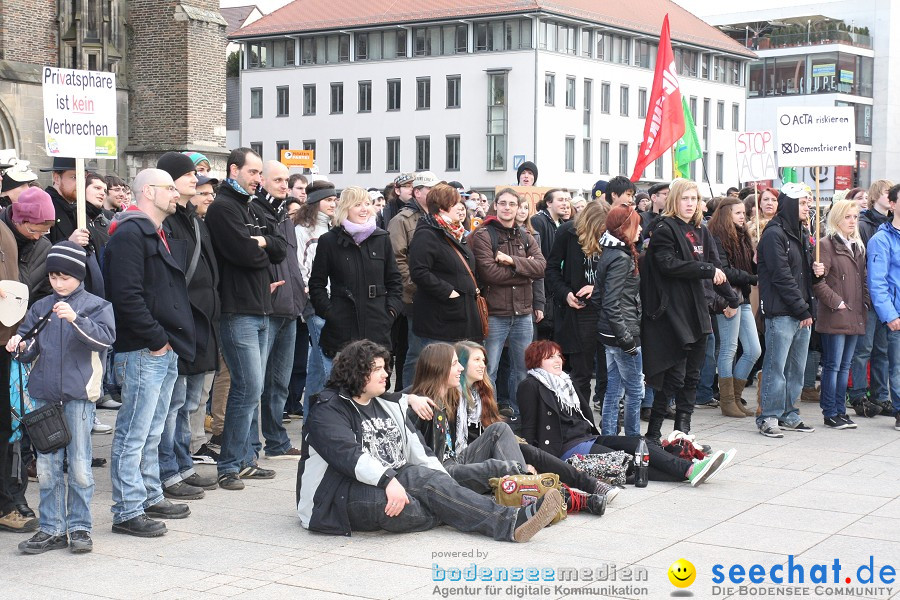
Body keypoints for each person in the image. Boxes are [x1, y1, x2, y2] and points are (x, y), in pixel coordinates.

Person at [296, 339, 562, 542]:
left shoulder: (387, 403)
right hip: (336, 497)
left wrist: (446, 484)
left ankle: (511, 522)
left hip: (398, 479)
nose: (386, 374)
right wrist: (389, 481)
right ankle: (484, 510)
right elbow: (348, 454)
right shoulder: (328, 409)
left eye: (384, 367)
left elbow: (420, 453)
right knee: (417, 506)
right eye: (376, 369)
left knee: (434, 484)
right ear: (356, 372)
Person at [408, 341, 610, 514]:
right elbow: (388, 399)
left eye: (483, 360)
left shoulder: (478, 394)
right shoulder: (433, 398)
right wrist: (410, 398)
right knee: (510, 456)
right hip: (448, 467)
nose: (483, 365)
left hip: (469, 454)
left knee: (520, 446)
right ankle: (569, 497)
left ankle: (579, 489)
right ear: (441, 367)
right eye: (475, 360)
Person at [104, 168, 196, 536]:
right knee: (134, 432)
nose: (176, 194)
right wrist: (157, 339)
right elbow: (125, 295)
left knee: (153, 429)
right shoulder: (130, 233)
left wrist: (165, 341)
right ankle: (127, 510)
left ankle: (148, 494)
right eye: (169, 188)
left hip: (160, 346)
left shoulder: (151, 231)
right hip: (144, 348)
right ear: (148, 192)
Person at [8, 242, 115, 554]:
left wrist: (75, 320)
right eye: (53, 277)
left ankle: (80, 527)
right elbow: (28, 351)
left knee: (80, 465)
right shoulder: (41, 308)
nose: (58, 283)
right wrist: (18, 345)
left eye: (65, 277)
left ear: (79, 276)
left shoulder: (96, 306)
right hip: (44, 397)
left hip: (79, 398)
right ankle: (51, 528)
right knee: (47, 467)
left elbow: (105, 340)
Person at [518, 341, 734, 486]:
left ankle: (690, 471)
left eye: (558, 356)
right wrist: (536, 463)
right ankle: (690, 470)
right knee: (624, 461)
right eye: (550, 358)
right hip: (566, 448)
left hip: (587, 437)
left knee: (640, 444)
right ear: (537, 362)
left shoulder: (565, 382)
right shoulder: (530, 385)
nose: (557, 361)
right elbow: (529, 427)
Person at [205, 148, 287, 491]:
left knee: (254, 388)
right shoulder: (223, 207)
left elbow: (281, 249)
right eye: (253, 173)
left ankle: (244, 460)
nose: (257, 179)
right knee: (247, 386)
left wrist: (263, 242)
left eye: (259, 174)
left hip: (261, 308)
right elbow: (245, 255)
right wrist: (261, 248)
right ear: (234, 170)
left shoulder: (250, 207)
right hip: (237, 309)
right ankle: (229, 464)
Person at [641, 179, 739, 442]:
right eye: (685, 198)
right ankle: (652, 434)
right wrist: (705, 270)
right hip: (672, 314)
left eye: (694, 199)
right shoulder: (664, 228)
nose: (690, 203)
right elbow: (667, 264)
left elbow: (717, 270)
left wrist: (731, 298)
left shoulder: (702, 231)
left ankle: (683, 433)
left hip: (699, 312)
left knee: (692, 377)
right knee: (673, 377)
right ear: (675, 200)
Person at [156, 152, 220, 500]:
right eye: (189, 176)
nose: (196, 181)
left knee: (189, 401)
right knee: (174, 403)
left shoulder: (192, 219)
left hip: (201, 324)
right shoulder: (165, 221)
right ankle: (169, 469)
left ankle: (182, 464)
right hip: (181, 324)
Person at [471, 188, 546, 419]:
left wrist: (512, 261)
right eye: (502, 203)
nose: (507, 207)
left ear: (518, 207)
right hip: (495, 313)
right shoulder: (484, 234)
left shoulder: (525, 235)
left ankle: (520, 417)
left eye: (511, 204)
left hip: (523, 313)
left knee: (523, 370)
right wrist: (525, 269)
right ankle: (486, 417)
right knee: (488, 370)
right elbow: (489, 273)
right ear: (495, 205)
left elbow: (541, 266)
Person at [308, 186, 402, 363]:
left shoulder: (382, 238)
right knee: (342, 383)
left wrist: (390, 312)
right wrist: (329, 313)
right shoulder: (329, 241)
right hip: (342, 327)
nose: (364, 209)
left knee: (376, 384)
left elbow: (395, 281)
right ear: (345, 208)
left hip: (377, 325)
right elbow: (317, 284)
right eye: (357, 204)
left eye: (367, 203)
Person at [252, 160, 306, 459]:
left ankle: (276, 441)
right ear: (262, 181)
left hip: (290, 305)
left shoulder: (284, 214)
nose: (285, 185)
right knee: (255, 383)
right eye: (278, 180)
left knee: (279, 383)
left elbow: (291, 260)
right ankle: (250, 446)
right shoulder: (258, 211)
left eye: (287, 180)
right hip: (267, 305)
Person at [755, 183, 818, 438]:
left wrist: (818, 275)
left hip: (801, 311)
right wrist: (802, 309)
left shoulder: (800, 232)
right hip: (782, 312)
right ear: (791, 204)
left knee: (796, 368)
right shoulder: (774, 234)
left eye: (808, 202)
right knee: (776, 367)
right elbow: (781, 277)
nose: (808, 207)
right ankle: (768, 416)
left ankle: (789, 413)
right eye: (803, 203)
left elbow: (802, 276)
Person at [811, 200, 868, 430]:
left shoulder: (857, 246)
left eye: (855, 216)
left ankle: (840, 411)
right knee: (833, 365)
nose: (852, 221)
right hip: (836, 314)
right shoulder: (826, 245)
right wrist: (838, 303)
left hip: (855, 314)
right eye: (847, 216)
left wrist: (865, 302)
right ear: (837, 218)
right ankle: (830, 412)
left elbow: (863, 279)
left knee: (845, 366)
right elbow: (819, 282)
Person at [546, 201, 608, 402]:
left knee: (608, 371)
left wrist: (597, 287)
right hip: (578, 311)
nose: (602, 231)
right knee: (581, 372)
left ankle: (608, 422)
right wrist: (565, 294)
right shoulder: (567, 232)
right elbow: (552, 269)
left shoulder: (613, 234)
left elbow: (624, 275)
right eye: (599, 227)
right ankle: (582, 423)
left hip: (607, 309)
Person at [591, 205, 644, 437]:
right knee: (635, 390)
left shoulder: (610, 251)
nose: (640, 228)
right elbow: (610, 302)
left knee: (614, 388)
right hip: (622, 333)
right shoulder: (621, 258)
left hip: (611, 332)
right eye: (636, 224)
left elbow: (597, 297)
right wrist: (626, 339)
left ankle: (610, 438)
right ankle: (632, 439)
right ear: (625, 228)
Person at [408, 183, 484, 344]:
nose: (461, 207)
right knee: (442, 367)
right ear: (442, 207)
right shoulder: (427, 233)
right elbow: (419, 272)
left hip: (461, 315)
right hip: (441, 319)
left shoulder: (455, 231)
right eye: (456, 203)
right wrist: (449, 292)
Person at [707, 198, 760, 418]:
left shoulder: (743, 236)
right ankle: (727, 401)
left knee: (753, 350)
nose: (742, 216)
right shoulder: (717, 237)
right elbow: (723, 271)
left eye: (743, 213)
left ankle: (735, 397)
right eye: (737, 213)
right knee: (729, 349)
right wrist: (752, 277)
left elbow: (747, 266)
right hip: (728, 297)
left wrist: (756, 260)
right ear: (726, 214)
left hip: (743, 296)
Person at [388, 171, 440, 385]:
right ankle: (408, 399)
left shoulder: (439, 216)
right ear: (417, 192)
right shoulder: (402, 220)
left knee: (437, 354)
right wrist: (419, 286)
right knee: (415, 354)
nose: (436, 193)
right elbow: (397, 260)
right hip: (415, 296)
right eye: (431, 189)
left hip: (438, 295)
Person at [849, 179, 894, 417]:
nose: (891, 197)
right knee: (863, 349)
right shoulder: (865, 224)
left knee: (882, 350)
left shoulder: (890, 224)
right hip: (869, 296)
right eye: (888, 192)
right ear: (876, 195)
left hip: (886, 297)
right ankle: (858, 394)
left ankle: (881, 396)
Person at [295, 180, 337, 414]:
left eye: (334, 199)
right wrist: (307, 288)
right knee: (327, 361)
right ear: (315, 203)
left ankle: (312, 419)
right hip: (314, 301)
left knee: (317, 366)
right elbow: (298, 264)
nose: (333, 203)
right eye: (328, 200)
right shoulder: (302, 230)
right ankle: (327, 417)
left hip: (331, 298)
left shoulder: (331, 228)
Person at [866, 184, 900, 431]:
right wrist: (890, 314)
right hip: (896, 313)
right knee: (896, 366)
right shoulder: (881, 239)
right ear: (893, 204)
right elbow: (876, 281)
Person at [530, 188, 570, 339]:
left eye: (566, 200)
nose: (565, 204)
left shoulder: (561, 223)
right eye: (560, 200)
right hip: (545, 288)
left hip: (556, 286)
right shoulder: (538, 221)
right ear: (548, 203)